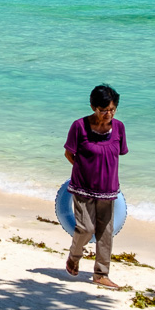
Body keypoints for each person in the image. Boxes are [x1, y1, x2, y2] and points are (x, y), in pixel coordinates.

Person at [64, 84, 128, 291]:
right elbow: (69, 154)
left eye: (112, 109)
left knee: (105, 232)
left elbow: (118, 153)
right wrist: (85, 169)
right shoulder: (79, 126)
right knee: (86, 228)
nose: (108, 114)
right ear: (93, 106)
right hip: (83, 187)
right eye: (103, 110)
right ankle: (74, 257)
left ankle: (101, 274)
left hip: (108, 189)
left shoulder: (119, 128)